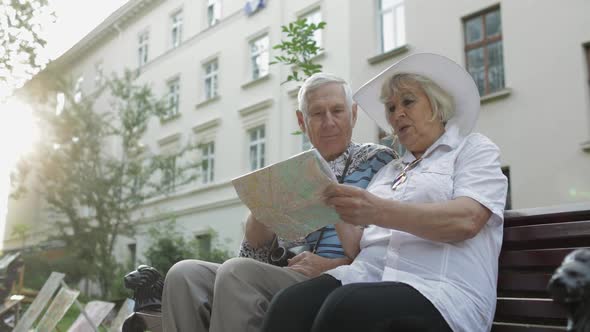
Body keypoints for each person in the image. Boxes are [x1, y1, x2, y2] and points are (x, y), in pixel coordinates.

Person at [261, 53, 508, 332]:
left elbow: (467, 220)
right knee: (288, 305)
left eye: (408, 102)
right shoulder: (389, 170)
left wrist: (378, 210)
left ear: (437, 105)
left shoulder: (472, 149)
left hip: (441, 292)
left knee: (346, 307)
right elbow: (358, 248)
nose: (396, 113)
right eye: (390, 107)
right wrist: (333, 199)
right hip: (368, 279)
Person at [161, 73, 396, 332]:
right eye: (317, 113)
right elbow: (254, 255)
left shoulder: (379, 161)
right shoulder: (294, 171)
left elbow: (392, 248)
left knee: (236, 273)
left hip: (338, 278)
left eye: (337, 111)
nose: (328, 122)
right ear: (301, 121)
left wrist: (334, 266)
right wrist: (260, 210)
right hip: (287, 273)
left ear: (353, 114)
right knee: (184, 275)